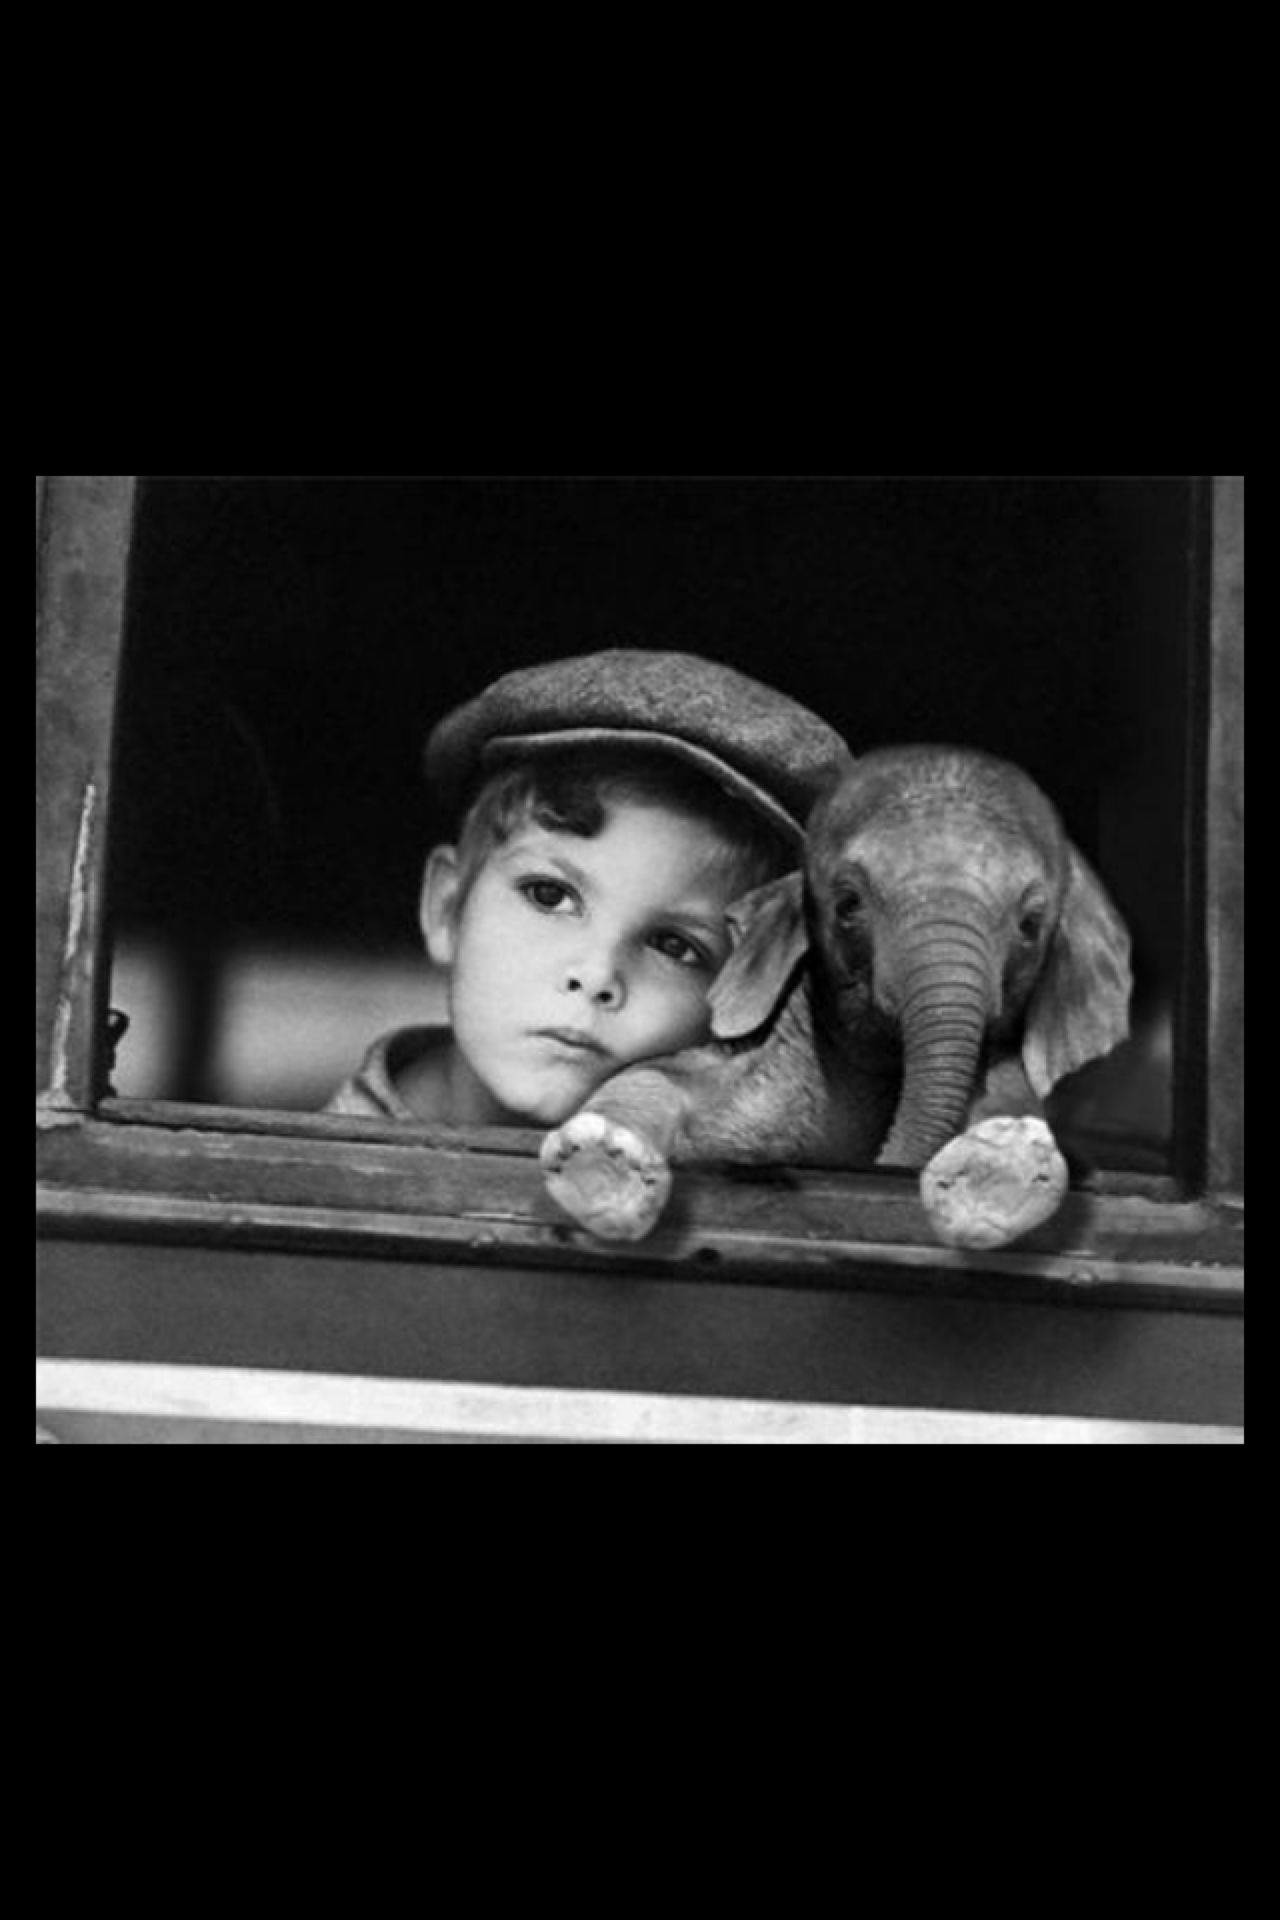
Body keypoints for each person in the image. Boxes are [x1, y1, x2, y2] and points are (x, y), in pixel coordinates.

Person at [324, 649, 851, 1127]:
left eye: (674, 946)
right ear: (447, 908)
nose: (597, 976)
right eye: (549, 896)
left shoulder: (725, 1195)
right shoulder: (313, 1177)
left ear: (750, 1007)